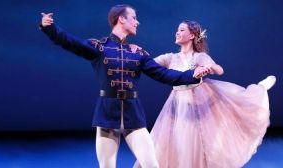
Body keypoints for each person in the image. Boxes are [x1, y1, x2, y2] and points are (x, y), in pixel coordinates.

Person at [39, 5, 205, 168]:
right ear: (121, 19)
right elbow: (71, 43)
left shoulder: (137, 53)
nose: (137, 22)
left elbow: (163, 74)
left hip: (133, 114)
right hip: (107, 113)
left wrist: (192, 75)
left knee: (151, 165)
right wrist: (50, 28)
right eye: (133, 18)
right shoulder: (100, 47)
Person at [134, 20, 276, 168]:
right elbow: (148, 64)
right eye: (177, 30)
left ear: (192, 35)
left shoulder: (198, 56)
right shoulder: (170, 57)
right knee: (171, 142)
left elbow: (219, 69)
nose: (177, 32)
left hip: (197, 102)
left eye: (182, 30)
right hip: (177, 103)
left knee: (193, 143)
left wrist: (208, 67)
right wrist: (136, 54)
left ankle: (260, 89)